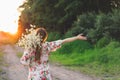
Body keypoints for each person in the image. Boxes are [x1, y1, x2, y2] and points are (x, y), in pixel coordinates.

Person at [20, 28, 87, 80]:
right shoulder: (47, 45)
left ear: (35, 36)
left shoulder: (30, 48)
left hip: (34, 77)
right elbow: (63, 41)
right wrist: (77, 37)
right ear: (45, 37)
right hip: (45, 76)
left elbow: (23, 61)